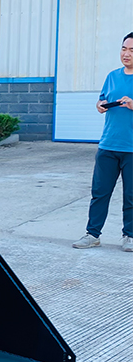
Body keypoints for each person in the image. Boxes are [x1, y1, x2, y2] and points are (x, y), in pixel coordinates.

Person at [72, 32, 133, 252]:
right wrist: (100, 105)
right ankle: (92, 234)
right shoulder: (112, 76)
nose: (126, 54)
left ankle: (130, 236)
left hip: (131, 149)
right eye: (124, 49)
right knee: (100, 192)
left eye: (132, 50)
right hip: (108, 145)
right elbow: (102, 99)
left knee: (131, 195)